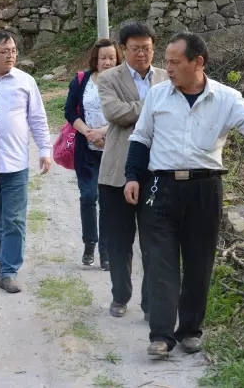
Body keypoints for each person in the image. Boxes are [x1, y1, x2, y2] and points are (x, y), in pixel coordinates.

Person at [124, 31, 244, 360]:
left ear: (197, 62)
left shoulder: (226, 98)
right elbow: (141, 138)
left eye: (175, 62)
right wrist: (132, 176)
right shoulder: (157, 95)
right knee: (160, 263)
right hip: (161, 188)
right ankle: (161, 335)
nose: (167, 68)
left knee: (199, 262)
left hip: (204, 189)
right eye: (166, 62)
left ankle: (189, 330)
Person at [0, 30, 52, 294]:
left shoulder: (26, 82)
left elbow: (37, 118)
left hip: (15, 164)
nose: (11, 56)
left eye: (14, 51)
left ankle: (9, 271)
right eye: (5, 51)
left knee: (14, 220)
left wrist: (44, 149)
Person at [97, 21, 168, 320]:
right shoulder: (108, 78)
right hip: (117, 172)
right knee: (119, 240)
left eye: (147, 48)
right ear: (123, 49)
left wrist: (138, 108)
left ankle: (151, 303)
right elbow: (115, 113)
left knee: (154, 242)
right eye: (136, 48)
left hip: (157, 172)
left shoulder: (166, 76)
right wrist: (155, 105)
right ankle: (120, 295)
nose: (142, 54)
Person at [63, 39, 123, 271]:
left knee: (108, 202)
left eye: (111, 57)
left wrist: (103, 132)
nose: (107, 62)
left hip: (114, 150)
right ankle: (90, 243)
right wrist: (89, 133)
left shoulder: (123, 82)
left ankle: (105, 251)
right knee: (88, 196)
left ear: (118, 59)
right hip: (86, 150)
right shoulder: (82, 80)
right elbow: (69, 111)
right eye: (103, 58)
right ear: (95, 60)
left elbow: (128, 114)